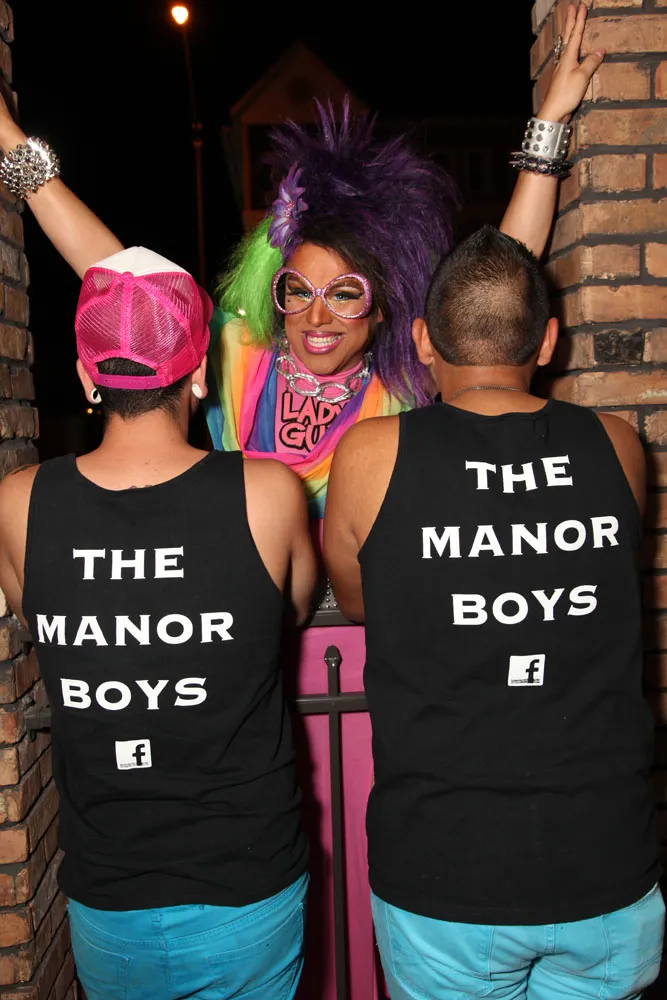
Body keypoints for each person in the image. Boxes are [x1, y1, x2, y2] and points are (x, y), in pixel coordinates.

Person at [0, 9, 604, 995]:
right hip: (224, 682)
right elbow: (114, 280)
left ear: (388, 305)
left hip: (368, 675)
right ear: (270, 292)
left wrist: (548, 129)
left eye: (346, 293)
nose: (317, 316)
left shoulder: (406, 386)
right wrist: (16, 152)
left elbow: (499, 284)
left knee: (357, 898)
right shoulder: (234, 360)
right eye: (298, 290)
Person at [324, 225, 663, 1000]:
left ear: (420, 339)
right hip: (605, 862)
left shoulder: (371, 455)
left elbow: (360, 600)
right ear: (546, 340)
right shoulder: (616, 444)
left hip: (444, 871)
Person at [0, 246, 318, 1000]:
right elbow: (296, 607)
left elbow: (33, 610)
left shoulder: (18, 502)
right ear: (199, 370)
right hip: (248, 880)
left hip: (109, 892)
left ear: (88, 376)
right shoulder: (268, 490)